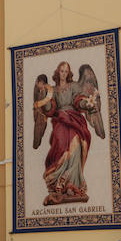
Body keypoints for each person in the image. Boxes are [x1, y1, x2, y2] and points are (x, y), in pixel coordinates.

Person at [42, 61, 91, 205]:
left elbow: (78, 101)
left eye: (66, 71)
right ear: (58, 72)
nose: (63, 73)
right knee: (60, 145)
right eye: (61, 71)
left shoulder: (74, 86)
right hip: (61, 121)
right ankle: (58, 180)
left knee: (76, 147)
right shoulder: (53, 90)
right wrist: (45, 101)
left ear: (68, 73)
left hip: (74, 120)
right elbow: (50, 109)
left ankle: (71, 184)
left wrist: (85, 103)